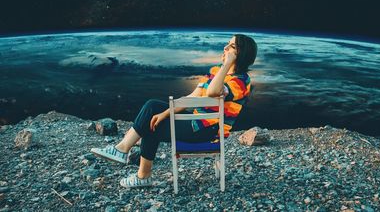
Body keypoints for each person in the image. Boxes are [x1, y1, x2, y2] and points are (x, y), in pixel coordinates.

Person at [91, 34, 257, 188]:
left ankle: (140, 173)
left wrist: (227, 64)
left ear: (240, 53)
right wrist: (164, 113)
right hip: (194, 121)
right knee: (153, 108)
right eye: (227, 44)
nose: (225, 48)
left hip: (208, 130)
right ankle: (123, 151)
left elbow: (213, 92)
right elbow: (192, 96)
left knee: (150, 126)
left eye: (232, 46)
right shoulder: (215, 71)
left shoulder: (241, 81)